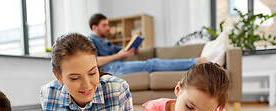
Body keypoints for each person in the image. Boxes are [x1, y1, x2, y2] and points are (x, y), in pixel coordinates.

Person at [88, 13, 225, 76]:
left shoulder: (105, 41)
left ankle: (200, 61)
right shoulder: (90, 41)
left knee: (152, 63)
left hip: (117, 65)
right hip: (110, 70)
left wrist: (132, 49)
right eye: (104, 25)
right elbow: (94, 62)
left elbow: (122, 50)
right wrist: (118, 56)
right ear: (95, 27)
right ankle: (199, 61)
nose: (108, 27)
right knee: (152, 63)